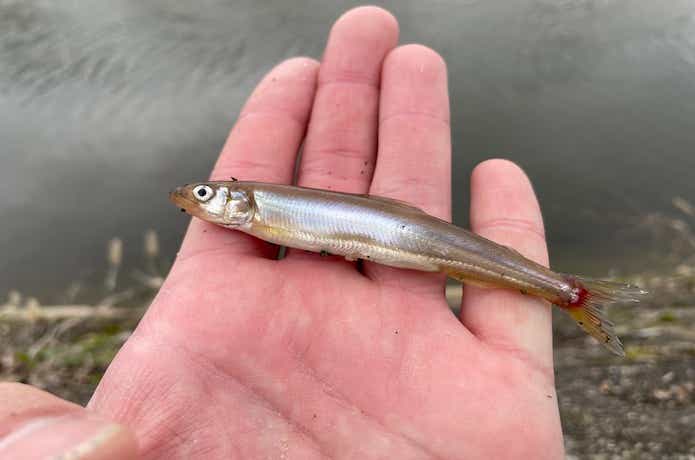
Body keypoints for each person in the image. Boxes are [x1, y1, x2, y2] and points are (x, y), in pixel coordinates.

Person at [0, 6, 564, 459]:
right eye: (199, 195)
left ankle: (567, 291)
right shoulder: (255, 210)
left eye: (202, 195)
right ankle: (565, 291)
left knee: (476, 260)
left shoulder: (261, 208)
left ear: (236, 200)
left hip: (402, 237)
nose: (192, 199)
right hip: (392, 235)